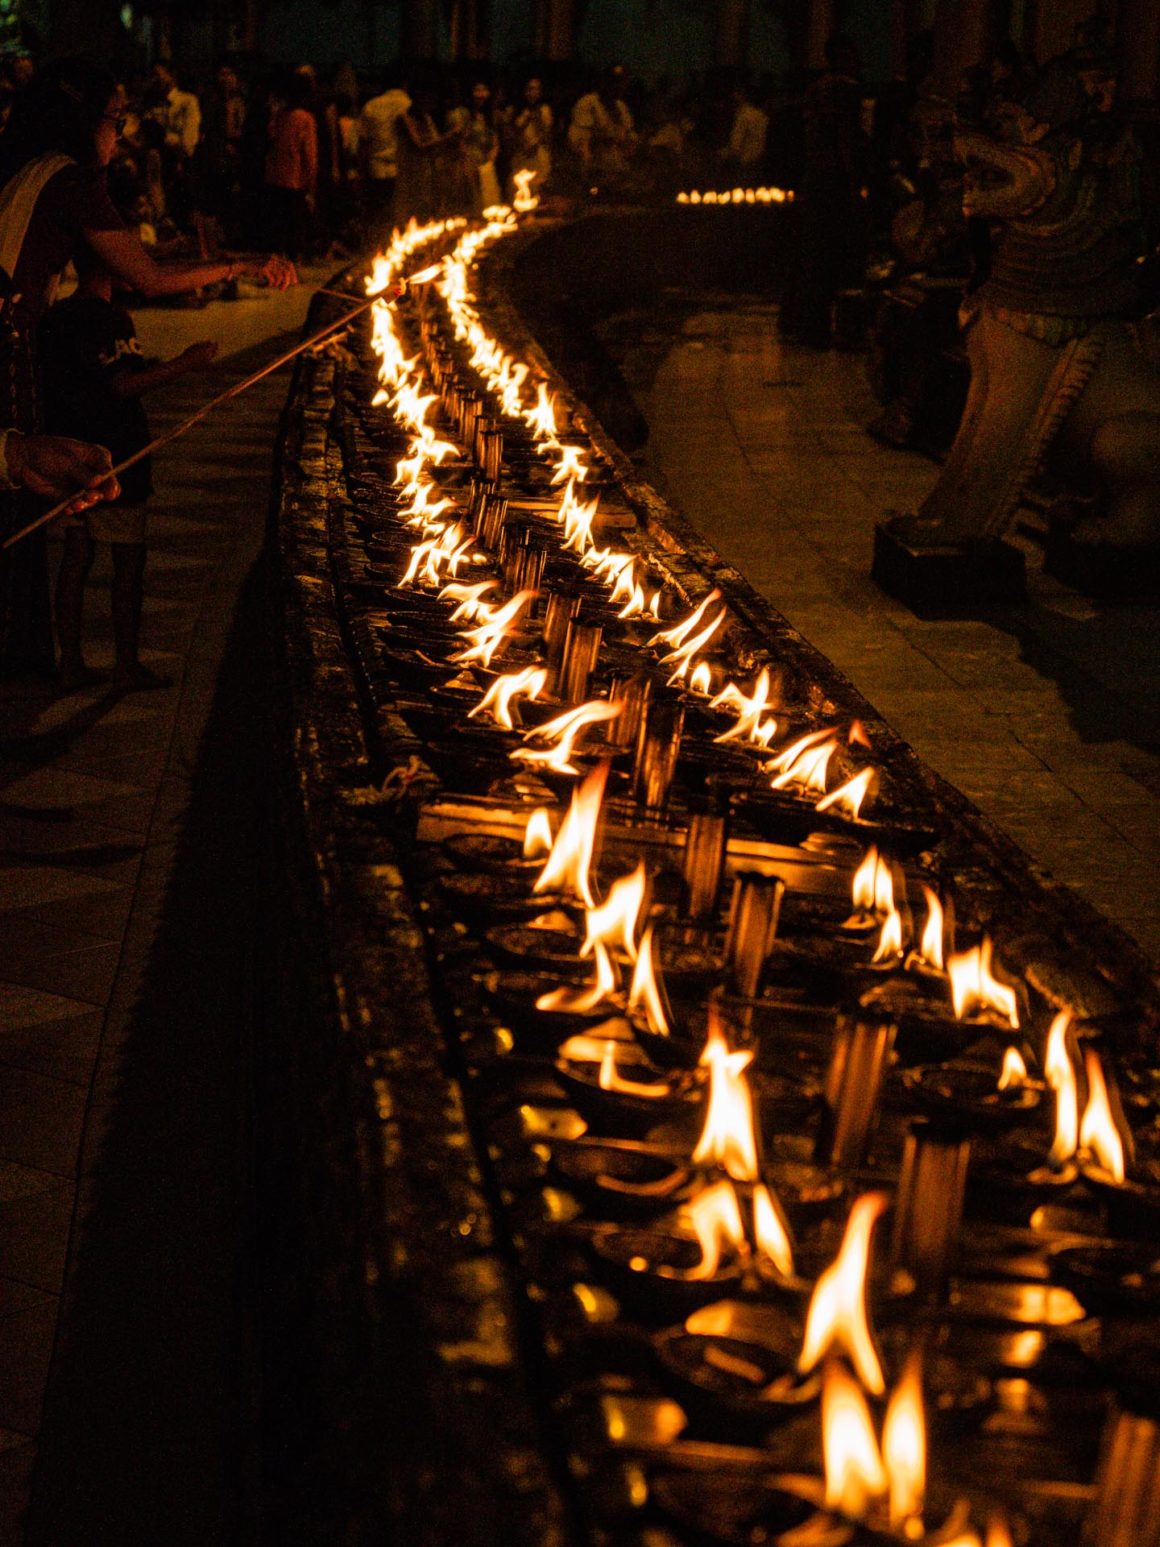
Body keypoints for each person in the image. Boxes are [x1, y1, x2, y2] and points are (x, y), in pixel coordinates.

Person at [0, 56, 294, 677]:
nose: (121, 134)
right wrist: (242, 267)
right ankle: (24, 670)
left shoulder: (25, 169)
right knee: (19, 510)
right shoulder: (72, 180)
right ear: (85, 122)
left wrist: (221, 259)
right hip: (7, 352)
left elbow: (138, 257)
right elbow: (149, 277)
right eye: (115, 119)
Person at [41, 247, 218, 691]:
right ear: (109, 266)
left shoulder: (57, 317)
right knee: (127, 560)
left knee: (76, 557)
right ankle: (125, 664)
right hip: (117, 457)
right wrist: (187, 363)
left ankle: (71, 662)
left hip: (69, 454)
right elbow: (121, 384)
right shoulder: (109, 319)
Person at [265, 71, 318, 261]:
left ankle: (280, 262)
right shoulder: (305, 119)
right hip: (295, 180)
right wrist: (311, 186)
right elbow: (310, 155)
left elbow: (271, 142)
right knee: (296, 226)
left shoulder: (280, 116)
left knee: (279, 226)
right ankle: (295, 265)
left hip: (275, 177)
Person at [358, 68, 411, 246]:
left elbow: (363, 140)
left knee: (377, 210)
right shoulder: (408, 104)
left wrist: (361, 168)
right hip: (402, 166)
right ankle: (395, 245)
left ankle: (376, 245)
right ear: (405, 83)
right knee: (398, 211)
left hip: (376, 164)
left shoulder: (371, 105)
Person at [568, 67, 637, 189]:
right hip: (595, 169)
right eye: (615, 81)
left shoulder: (621, 107)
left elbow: (629, 136)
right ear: (604, 82)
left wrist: (631, 146)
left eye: (622, 82)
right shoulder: (588, 103)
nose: (619, 87)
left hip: (618, 169)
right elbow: (580, 138)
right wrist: (588, 163)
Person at [509, 76, 553, 199]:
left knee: (538, 186)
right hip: (520, 154)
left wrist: (537, 141)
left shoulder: (545, 109)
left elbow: (547, 132)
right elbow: (511, 132)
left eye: (537, 89)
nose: (533, 93)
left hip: (539, 154)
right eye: (530, 89)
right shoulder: (515, 110)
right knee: (520, 188)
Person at [721, 82, 768, 176]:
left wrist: (724, 154)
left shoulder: (743, 116)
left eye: (737, 93)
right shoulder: (762, 115)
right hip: (759, 159)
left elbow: (736, 144)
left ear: (743, 96)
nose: (734, 96)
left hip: (743, 161)